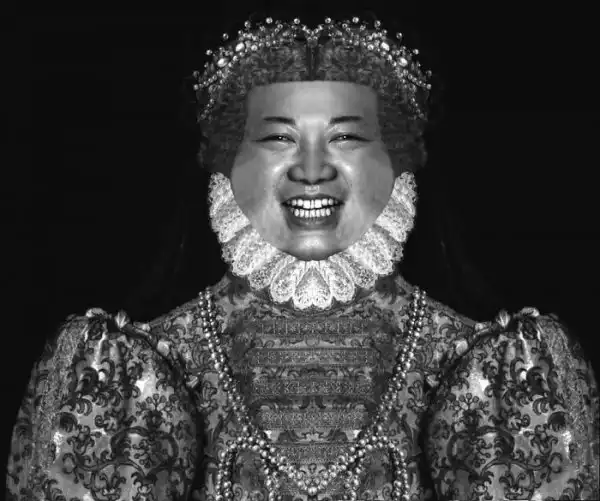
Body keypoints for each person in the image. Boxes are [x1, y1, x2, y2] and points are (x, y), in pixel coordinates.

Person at [6, 15, 599, 501]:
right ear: (226, 161)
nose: (311, 170)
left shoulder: (499, 365)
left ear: (397, 161)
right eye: (278, 138)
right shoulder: (123, 367)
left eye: (345, 137)